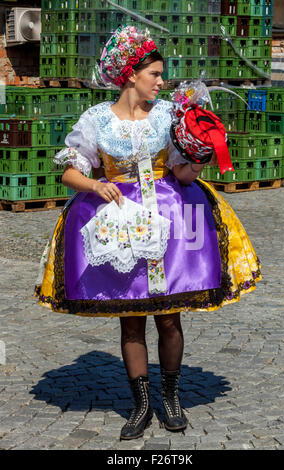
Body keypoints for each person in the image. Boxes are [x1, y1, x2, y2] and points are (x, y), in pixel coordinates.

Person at [35, 25, 261, 441]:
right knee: (131, 321)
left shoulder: (168, 115)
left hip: (168, 223)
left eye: (162, 75)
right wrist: (96, 185)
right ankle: (140, 405)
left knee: (169, 316)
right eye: (154, 74)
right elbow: (69, 169)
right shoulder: (97, 119)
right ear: (130, 76)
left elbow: (181, 171)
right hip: (119, 225)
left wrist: (200, 155)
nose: (161, 82)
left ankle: (171, 399)